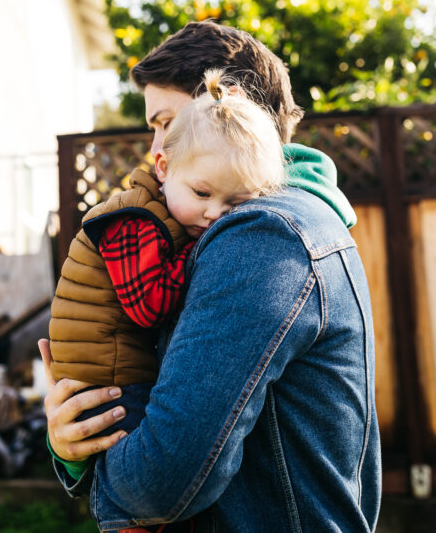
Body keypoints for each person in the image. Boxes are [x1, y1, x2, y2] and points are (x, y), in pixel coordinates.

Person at [40, 21, 381, 531]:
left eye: (166, 122)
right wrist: (71, 443)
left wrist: (101, 474)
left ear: (228, 105)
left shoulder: (261, 234)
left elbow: (162, 480)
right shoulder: (273, 222)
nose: (156, 148)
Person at [48, 68, 286, 438]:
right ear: (164, 168)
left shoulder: (172, 215)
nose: (215, 213)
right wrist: (195, 254)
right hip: (104, 386)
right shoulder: (134, 220)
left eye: (235, 204)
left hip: (115, 374)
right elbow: (148, 306)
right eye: (202, 193)